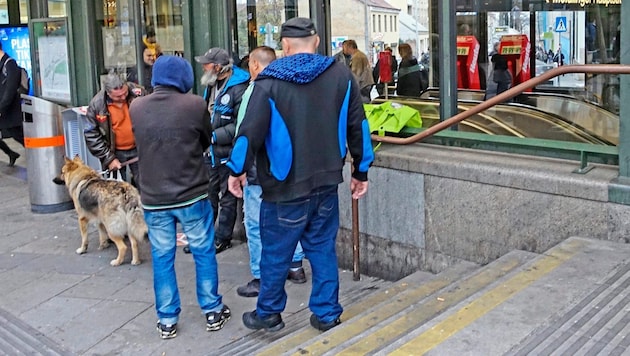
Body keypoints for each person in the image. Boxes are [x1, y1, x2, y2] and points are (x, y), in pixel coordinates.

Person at [226, 17, 373, 332]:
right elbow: (359, 126)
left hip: (282, 188)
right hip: (326, 183)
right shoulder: (340, 75)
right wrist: (360, 171)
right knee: (322, 250)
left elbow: (247, 132)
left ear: (285, 46)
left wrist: (236, 171)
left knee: (276, 253)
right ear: (317, 42)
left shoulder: (266, 83)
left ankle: (268, 313)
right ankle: (327, 313)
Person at [130, 55, 230, 339]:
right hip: (191, 194)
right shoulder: (195, 104)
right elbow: (206, 140)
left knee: (162, 258)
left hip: (153, 196)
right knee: (203, 252)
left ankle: (167, 320)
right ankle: (212, 310)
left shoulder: (136, 106)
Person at [234, 46, 307, 299]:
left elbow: (245, 133)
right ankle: (296, 265)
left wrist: (238, 168)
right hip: (287, 167)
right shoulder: (288, 86)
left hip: (258, 169)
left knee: (255, 223)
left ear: (254, 64)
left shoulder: (256, 89)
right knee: (290, 217)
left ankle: (260, 275)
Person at [195, 47, 250, 253]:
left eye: (206, 64)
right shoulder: (211, 84)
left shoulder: (240, 87)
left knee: (227, 196)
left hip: (227, 151)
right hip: (209, 150)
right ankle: (206, 237)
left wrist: (214, 136)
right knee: (208, 194)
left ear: (218, 67)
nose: (203, 67)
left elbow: (239, 123)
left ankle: (222, 238)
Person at [85, 73, 146, 185]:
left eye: (125, 93)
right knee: (117, 190)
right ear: (108, 93)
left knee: (146, 185)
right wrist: (108, 158)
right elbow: (91, 135)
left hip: (139, 147)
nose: (123, 97)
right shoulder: (97, 105)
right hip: (114, 151)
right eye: (118, 96)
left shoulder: (139, 93)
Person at [0, 42, 24, 167]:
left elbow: (10, 89)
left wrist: (1, 108)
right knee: (15, 132)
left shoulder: (10, 64)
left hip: (10, 109)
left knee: (17, 134)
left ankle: (36, 153)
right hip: (4, 108)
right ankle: (10, 153)